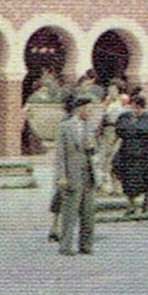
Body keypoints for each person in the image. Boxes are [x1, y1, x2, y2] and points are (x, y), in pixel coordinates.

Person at [54, 93, 98, 255]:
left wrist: (92, 146)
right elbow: (60, 154)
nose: (90, 112)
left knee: (88, 212)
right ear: (80, 108)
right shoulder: (66, 127)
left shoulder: (89, 126)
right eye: (88, 108)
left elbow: (95, 149)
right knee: (70, 212)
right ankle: (65, 245)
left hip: (88, 173)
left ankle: (86, 245)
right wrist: (61, 176)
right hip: (72, 173)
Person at [113, 92, 148, 217]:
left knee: (145, 178)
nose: (134, 109)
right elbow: (117, 134)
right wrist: (112, 148)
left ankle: (145, 201)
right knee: (128, 179)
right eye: (132, 106)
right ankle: (131, 204)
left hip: (144, 152)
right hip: (127, 152)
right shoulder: (124, 117)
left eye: (136, 106)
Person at [97, 83, 125, 195]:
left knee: (112, 159)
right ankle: (104, 186)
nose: (111, 92)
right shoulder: (107, 104)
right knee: (104, 160)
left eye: (113, 90)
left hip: (114, 132)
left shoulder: (118, 106)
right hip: (106, 132)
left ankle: (116, 187)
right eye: (109, 90)